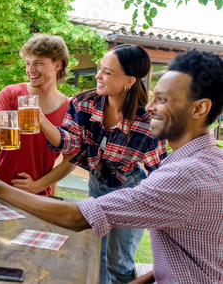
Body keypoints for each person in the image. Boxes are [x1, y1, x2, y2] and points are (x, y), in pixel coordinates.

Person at [0, 49, 223, 283]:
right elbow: (179, 258)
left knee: (118, 259)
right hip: (99, 182)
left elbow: (79, 217)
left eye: (163, 99)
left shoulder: (181, 176)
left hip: (129, 183)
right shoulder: (204, 163)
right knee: (96, 252)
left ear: (200, 108)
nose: (151, 107)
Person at [42, 44, 167, 283]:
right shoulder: (83, 104)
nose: (98, 76)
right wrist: (40, 120)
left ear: (129, 81)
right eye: (100, 68)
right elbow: (68, 143)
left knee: (118, 264)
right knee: (94, 254)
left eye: (107, 72)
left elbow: (159, 170)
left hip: (130, 190)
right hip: (97, 184)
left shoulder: (146, 121)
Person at [0, 33, 76, 197]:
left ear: (57, 65)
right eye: (28, 63)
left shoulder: (69, 109)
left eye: (38, 63)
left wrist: (37, 186)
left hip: (37, 198)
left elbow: (72, 158)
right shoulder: (11, 93)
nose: (30, 70)